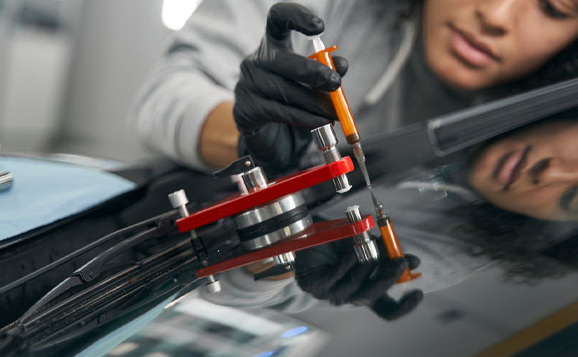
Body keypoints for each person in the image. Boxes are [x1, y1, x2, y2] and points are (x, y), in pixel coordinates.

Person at [132, 0, 578, 318]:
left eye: (556, 9)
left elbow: (248, 294)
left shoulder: (489, 233)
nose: (496, 15)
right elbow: (162, 101)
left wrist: (279, 261)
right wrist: (249, 142)